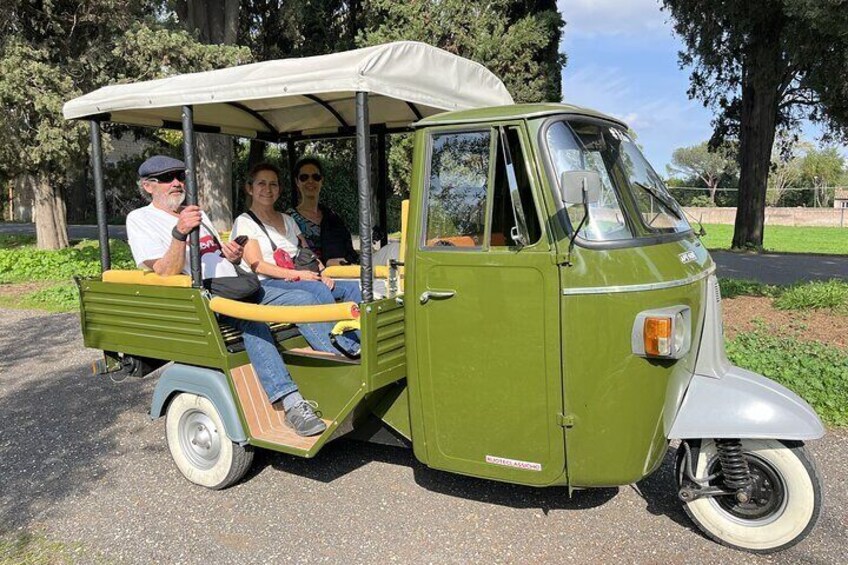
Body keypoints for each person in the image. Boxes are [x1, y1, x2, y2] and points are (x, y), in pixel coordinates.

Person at [125, 155, 325, 437]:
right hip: (204, 296)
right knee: (253, 323)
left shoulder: (197, 212)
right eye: (167, 179)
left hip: (236, 284)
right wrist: (180, 232)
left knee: (305, 298)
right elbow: (164, 272)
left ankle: (335, 361)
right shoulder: (141, 219)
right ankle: (290, 403)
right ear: (148, 186)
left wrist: (230, 254)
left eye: (180, 177)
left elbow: (216, 255)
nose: (176, 183)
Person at [232, 163, 362, 311]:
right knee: (318, 290)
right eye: (261, 183)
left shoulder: (288, 220)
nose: (267, 189)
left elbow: (308, 255)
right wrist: (298, 275)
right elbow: (257, 265)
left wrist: (321, 275)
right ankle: (334, 333)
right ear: (250, 189)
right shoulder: (245, 222)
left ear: (279, 190)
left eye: (273, 184)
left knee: (351, 287)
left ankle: (361, 332)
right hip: (268, 282)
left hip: (298, 277)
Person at [287, 156, 359, 267]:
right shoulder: (289, 218)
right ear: (297, 182)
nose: (310, 181)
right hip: (311, 275)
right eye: (304, 177)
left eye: (316, 177)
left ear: (321, 181)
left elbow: (348, 247)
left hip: (343, 269)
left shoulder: (332, 216)